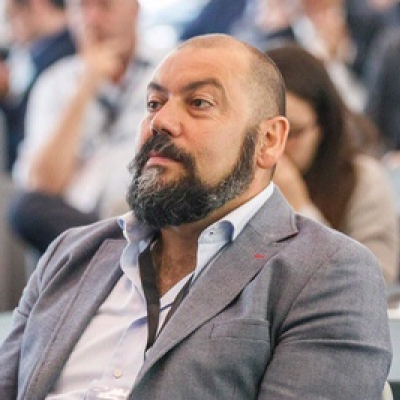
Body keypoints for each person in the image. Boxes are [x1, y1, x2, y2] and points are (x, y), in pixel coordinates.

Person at [0, 34, 391, 399]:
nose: (161, 121)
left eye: (199, 103)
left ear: (268, 141)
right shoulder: (71, 254)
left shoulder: (327, 273)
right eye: (154, 103)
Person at [8, 0, 156, 255]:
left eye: (105, 6)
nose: (92, 19)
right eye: (82, 7)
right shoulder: (54, 82)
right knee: (24, 208)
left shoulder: (168, 71)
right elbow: (43, 183)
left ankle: (112, 256)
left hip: (146, 217)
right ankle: (114, 255)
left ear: (134, 9)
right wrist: (86, 85)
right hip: (77, 224)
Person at [267, 43, 399, 284]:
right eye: (266, 133)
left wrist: (300, 209)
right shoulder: (237, 179)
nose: (278, 146)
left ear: (323, 127)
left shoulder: (362, 180)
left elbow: (376, 283)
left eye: (292, 133)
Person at [0, 0, 76, 172]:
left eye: (12, 16)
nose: (11, 31)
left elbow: (29, 128)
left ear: (38, 5)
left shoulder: (62, 56)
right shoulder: (37, 53)